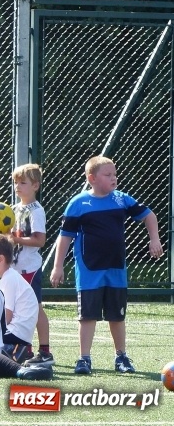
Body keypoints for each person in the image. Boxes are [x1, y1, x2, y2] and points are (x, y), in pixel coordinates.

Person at [50, 156, 162, 375]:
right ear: (92, 178)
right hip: (89, 271)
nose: (114, 178)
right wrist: (58, 266)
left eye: (115, 174)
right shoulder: (78, 203)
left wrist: (154, 238)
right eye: (108, 175)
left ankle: (121, 357)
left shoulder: (121, 199)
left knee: (117, 316)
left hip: (116, 269)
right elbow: (65, 236)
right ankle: (84, 359)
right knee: (87, 316)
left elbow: (149, 216)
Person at [9, 163, 54, 367]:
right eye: (15, 182)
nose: (17, 186)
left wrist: (15, 239)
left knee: (35, 308)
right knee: (17, 308)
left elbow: (39, 240)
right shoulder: (13, 210)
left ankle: (45, 351)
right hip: (14, 268)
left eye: (23, 183)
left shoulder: (36, 211)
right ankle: (24, 347)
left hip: (30, 268)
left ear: (35, 186)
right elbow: (7, 235)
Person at [0, 234, 38, 364]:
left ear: (1, 259)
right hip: (21, 334)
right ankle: (13, 350)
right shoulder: (11, 276)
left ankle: (11, 350)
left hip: (16, 333)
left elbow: (7, 314)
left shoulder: (8, 279)